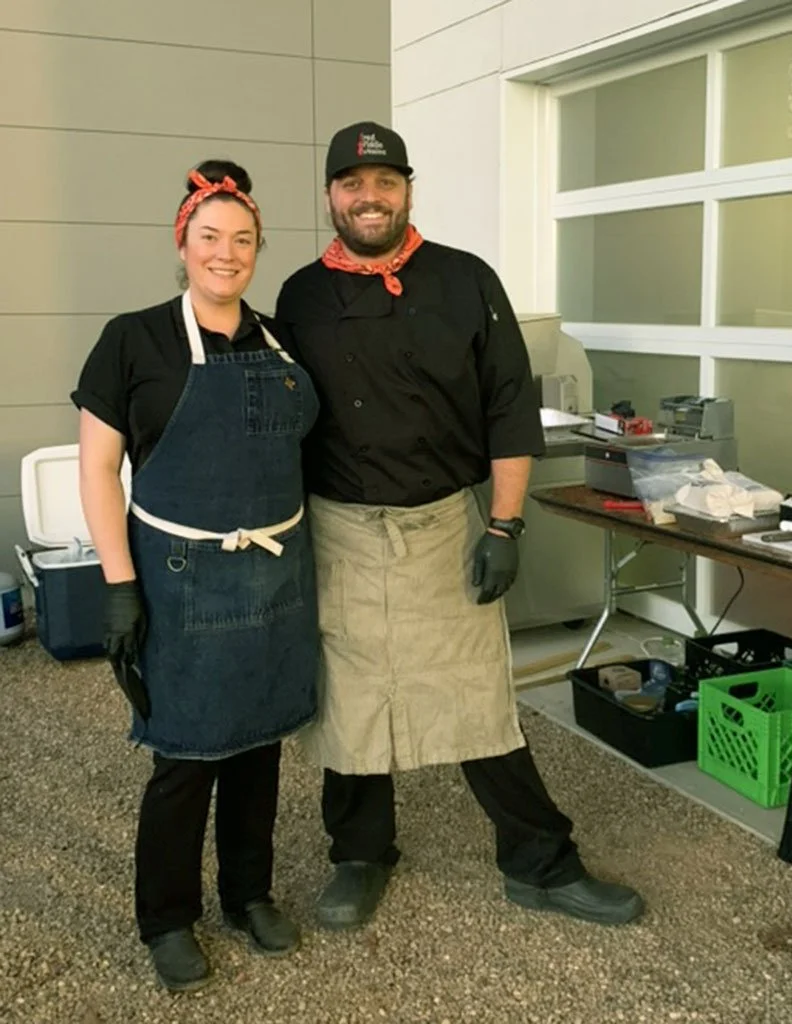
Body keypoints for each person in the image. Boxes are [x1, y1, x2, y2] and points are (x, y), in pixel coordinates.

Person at [274, 121, 644, 930]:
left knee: (476, 698)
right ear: (331, 195)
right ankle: (360, 853)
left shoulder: (466, 279)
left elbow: (510, 408)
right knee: (352, 701)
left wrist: (504, 527)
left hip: (444, 523)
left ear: (407, 189)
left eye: (385, 182)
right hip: (336, 527)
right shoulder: (299, 295)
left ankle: (539, 862)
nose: (369, 198)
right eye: (352, 184)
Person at [74, 160, 321, 991]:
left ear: (258, 250)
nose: (226, 253)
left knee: (258, 747)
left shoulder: (282, 339)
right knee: (183, 759)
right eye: (209, 236)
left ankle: (248, 894)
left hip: (276, 584)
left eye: (243, 239)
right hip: (179, 582)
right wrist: (118, 584)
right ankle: (166, 917)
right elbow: (98, 469)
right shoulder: (131, 339)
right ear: (181, 243)